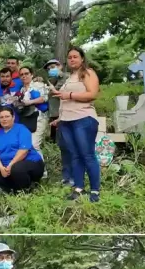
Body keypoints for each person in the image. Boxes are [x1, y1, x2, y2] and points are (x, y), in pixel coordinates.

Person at [52, 46, 101, 202]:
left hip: (83, 119)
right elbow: (66, 101)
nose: (72, 59)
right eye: (69, 57)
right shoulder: (69, 77)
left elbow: (92, 94)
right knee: (75, 155)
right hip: (66, 121)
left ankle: (95, 191)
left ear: (82, 59)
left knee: (87, 155)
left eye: (75, 57)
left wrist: (69, 95)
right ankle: (79, 188)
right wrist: (60, 117)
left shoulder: (88, 73)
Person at [0, 108, 45, 193]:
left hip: (30, 163)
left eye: (7, 116)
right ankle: (11, 189)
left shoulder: (21, 129)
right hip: (7, 166)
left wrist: (10, 165)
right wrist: (1, 168)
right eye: (1, 117)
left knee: (17, 169)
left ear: (13, 117)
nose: (4, 119)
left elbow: (24, 151)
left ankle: (26, 190)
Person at [17, 67, 49, 160]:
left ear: (31, 74)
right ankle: (33, 167)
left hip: (40, 117)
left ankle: (42, 170)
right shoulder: (22, 90)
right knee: (27, 144)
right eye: (22, 74)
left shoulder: (38, 85)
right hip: (27, 119)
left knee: (34, 144)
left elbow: (44, 98)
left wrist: (30, 102)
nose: (24, 76)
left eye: (26, 73)